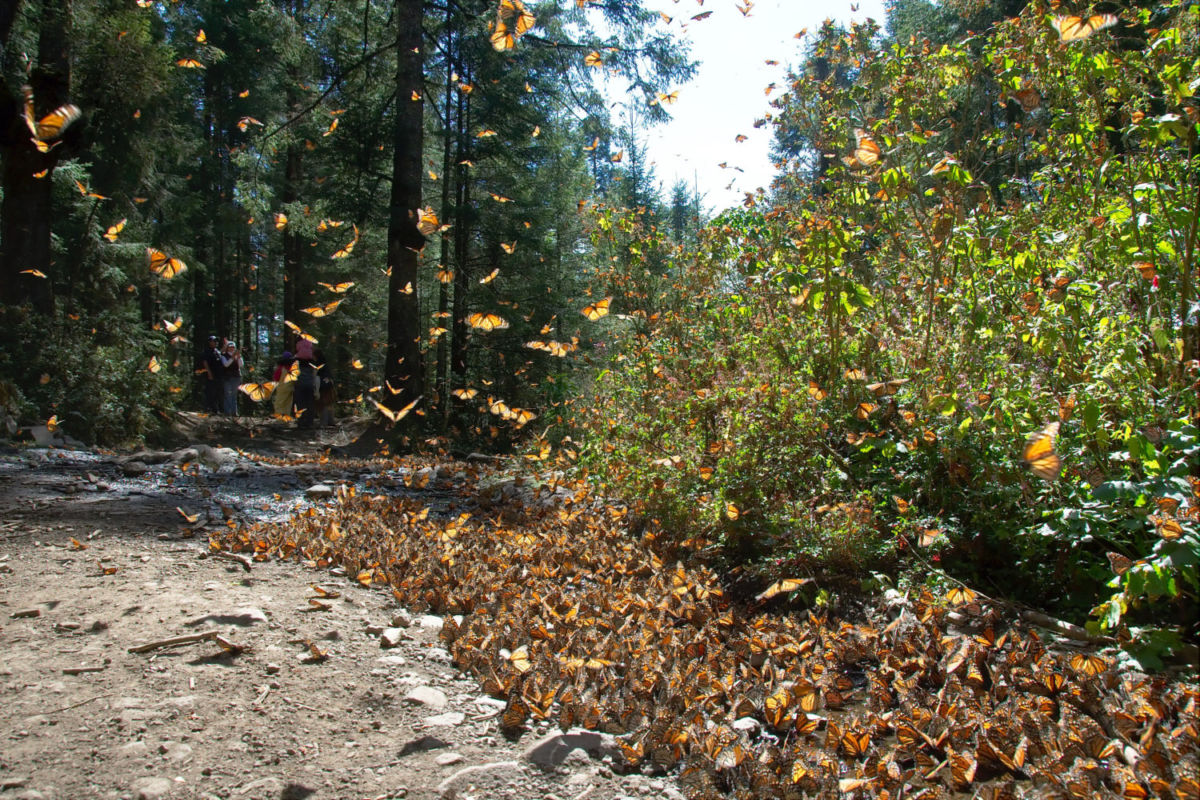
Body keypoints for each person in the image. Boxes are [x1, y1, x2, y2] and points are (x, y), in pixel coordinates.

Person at [292, 338, 318, 429]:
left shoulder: (295, 359)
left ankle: (301, 422)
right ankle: (309, 422)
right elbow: (315, 373)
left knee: (300, 403)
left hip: (299, 384)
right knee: (310, 403)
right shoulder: (312, 359)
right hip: (310, 384)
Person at [220, 341, 243, 415]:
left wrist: (239, 357)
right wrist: (233, 358)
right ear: (227, 348)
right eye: (230, 347)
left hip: (236, 377)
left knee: (234, 395)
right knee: (227, 394)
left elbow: (241, 365)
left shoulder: (237, 356)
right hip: (227, 377)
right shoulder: (224, 355)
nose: (231, 348)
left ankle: (234, 412)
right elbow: (226, 365)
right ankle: (227, 412)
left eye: (233, 347)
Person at [201, 335, 223, 413]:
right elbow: (205, 362)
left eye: (216, 341)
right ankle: (207, 408)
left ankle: (215, 409)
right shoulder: (207, 351)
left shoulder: (217, 351)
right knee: (210, 391)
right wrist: (209, 373)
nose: (216, 342)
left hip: (218, 375)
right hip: (210, 374)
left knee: (217, 392)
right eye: (214, 341)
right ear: (210, 342)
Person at [272, 350, 296, 418]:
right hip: (290, 388)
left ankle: (280, 420)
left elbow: (276, 378)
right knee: (288, 405)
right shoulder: (292, 369)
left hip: (282, 388)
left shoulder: (280, 368)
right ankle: (286, 420)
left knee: (279, 404)